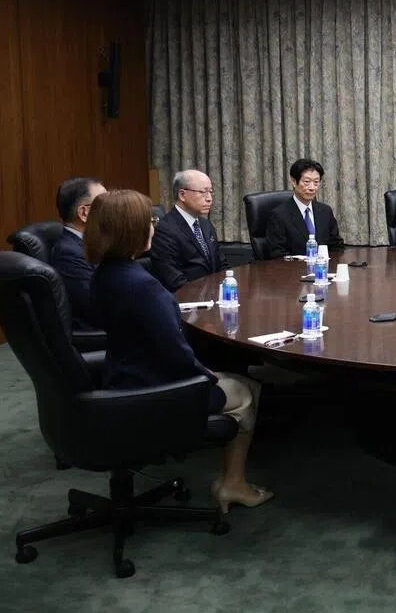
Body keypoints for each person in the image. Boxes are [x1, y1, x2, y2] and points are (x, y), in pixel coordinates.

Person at [86, 190, 272, 513]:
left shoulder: (104, 274)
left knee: (236, 379)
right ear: (133, 230)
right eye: (150, 221)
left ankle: (232, 480)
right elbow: (175, 351)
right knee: (246, 389)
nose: (154, 227)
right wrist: (206, 374)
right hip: (157, 389)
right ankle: (233, 484)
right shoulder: (143, 286)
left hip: (124, 375)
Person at [150, 169, 228, 292]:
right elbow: (173, 279)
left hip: (214, 296)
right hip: (189, 301)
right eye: (203, 192)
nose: (209, 199)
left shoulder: (206, 225)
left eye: (210, 192)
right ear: (182, 195)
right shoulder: (164, 230)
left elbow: (221, 264)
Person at [50, 176, 107, 330]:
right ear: (84, 213)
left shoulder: (90, 244)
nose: (112, 210)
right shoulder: (68, 254)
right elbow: (99, 308)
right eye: (106, 204)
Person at [265, 158, 344, 257]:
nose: (312, 188)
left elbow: (337, 246)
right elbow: (277, 254)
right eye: (307, 182)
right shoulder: (279, 215)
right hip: (292, 270)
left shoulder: (325, 211)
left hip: (323, 269)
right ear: (294, 182)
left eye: (316, 182)